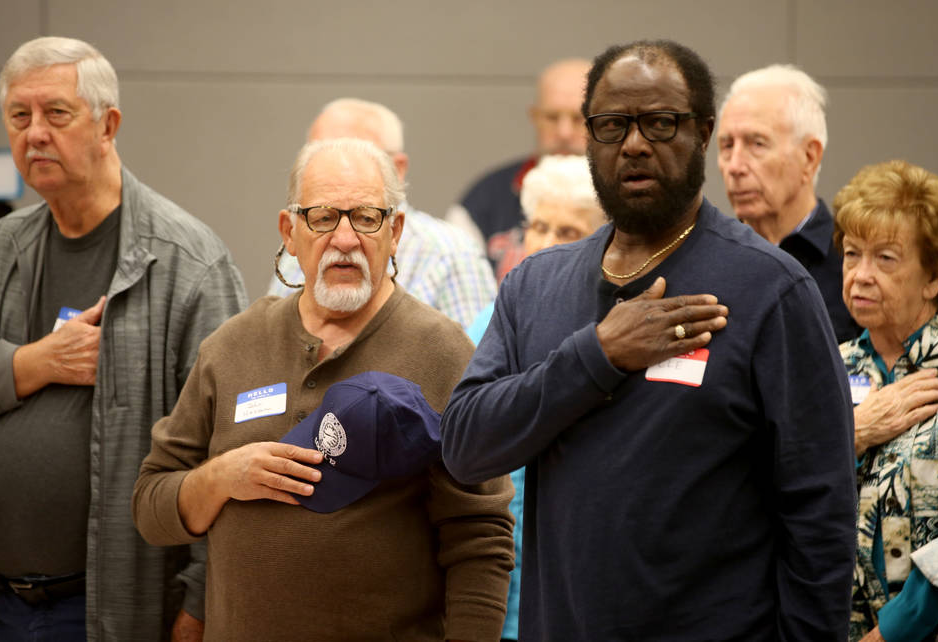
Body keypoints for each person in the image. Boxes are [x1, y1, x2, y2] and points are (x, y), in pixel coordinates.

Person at [441, 39, 857, 640]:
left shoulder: (771, 290)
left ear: (703, 133)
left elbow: (821, 514)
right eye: (612, 124)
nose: (634, 143)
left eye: (660, 123)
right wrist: (598, 355)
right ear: (589, 138)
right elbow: (465, 447)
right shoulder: (536, 285)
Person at [133, 137, 514, 641]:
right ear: (289, 232)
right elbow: (150, 508)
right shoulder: (232, 347)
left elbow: (480, 539)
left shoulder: (442, 352)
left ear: (395, 231)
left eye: (366, 217)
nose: (345, 238)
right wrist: (222, 477)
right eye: (323, 217)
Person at [0, 36, 247, 641]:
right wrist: (36, 362)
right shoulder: (4, 245)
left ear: (108, 125)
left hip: (114, 609)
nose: (34, 134)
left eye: (57, 113)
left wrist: (199, 607)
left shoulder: (187, 260)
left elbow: (230, 445)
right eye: (19, 117)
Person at [833, 160, 938, 642]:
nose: (860, 275)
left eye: (885, 258)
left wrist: (894, 632)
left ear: (934, 277)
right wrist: (853, 434)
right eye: (852, 253)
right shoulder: (833, 367)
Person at [463, 153, 604, 642]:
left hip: (586, 596)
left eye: (567, 232)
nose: (545, 244)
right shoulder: (485, 326)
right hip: (498, 594)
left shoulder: (618, 334)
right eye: (538, 227)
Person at [268, 98, 496, 329]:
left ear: (398, 168)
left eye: (357, 153)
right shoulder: (299, 250)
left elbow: (473, 359)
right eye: (319, 153)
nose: (343, 240)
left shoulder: (452, 253)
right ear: (289, 233)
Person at [717, 64, 860, 343]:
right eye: (726, 146)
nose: (734, 166)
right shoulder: (710, 262)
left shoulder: (854, 265)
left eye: (757, 144)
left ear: (809, 157)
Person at [446, 58, 590, 270]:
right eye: (551, 117)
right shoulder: (486, 196)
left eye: (578, 118)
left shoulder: (626, 197)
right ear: (534, 117)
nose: (564, 133)